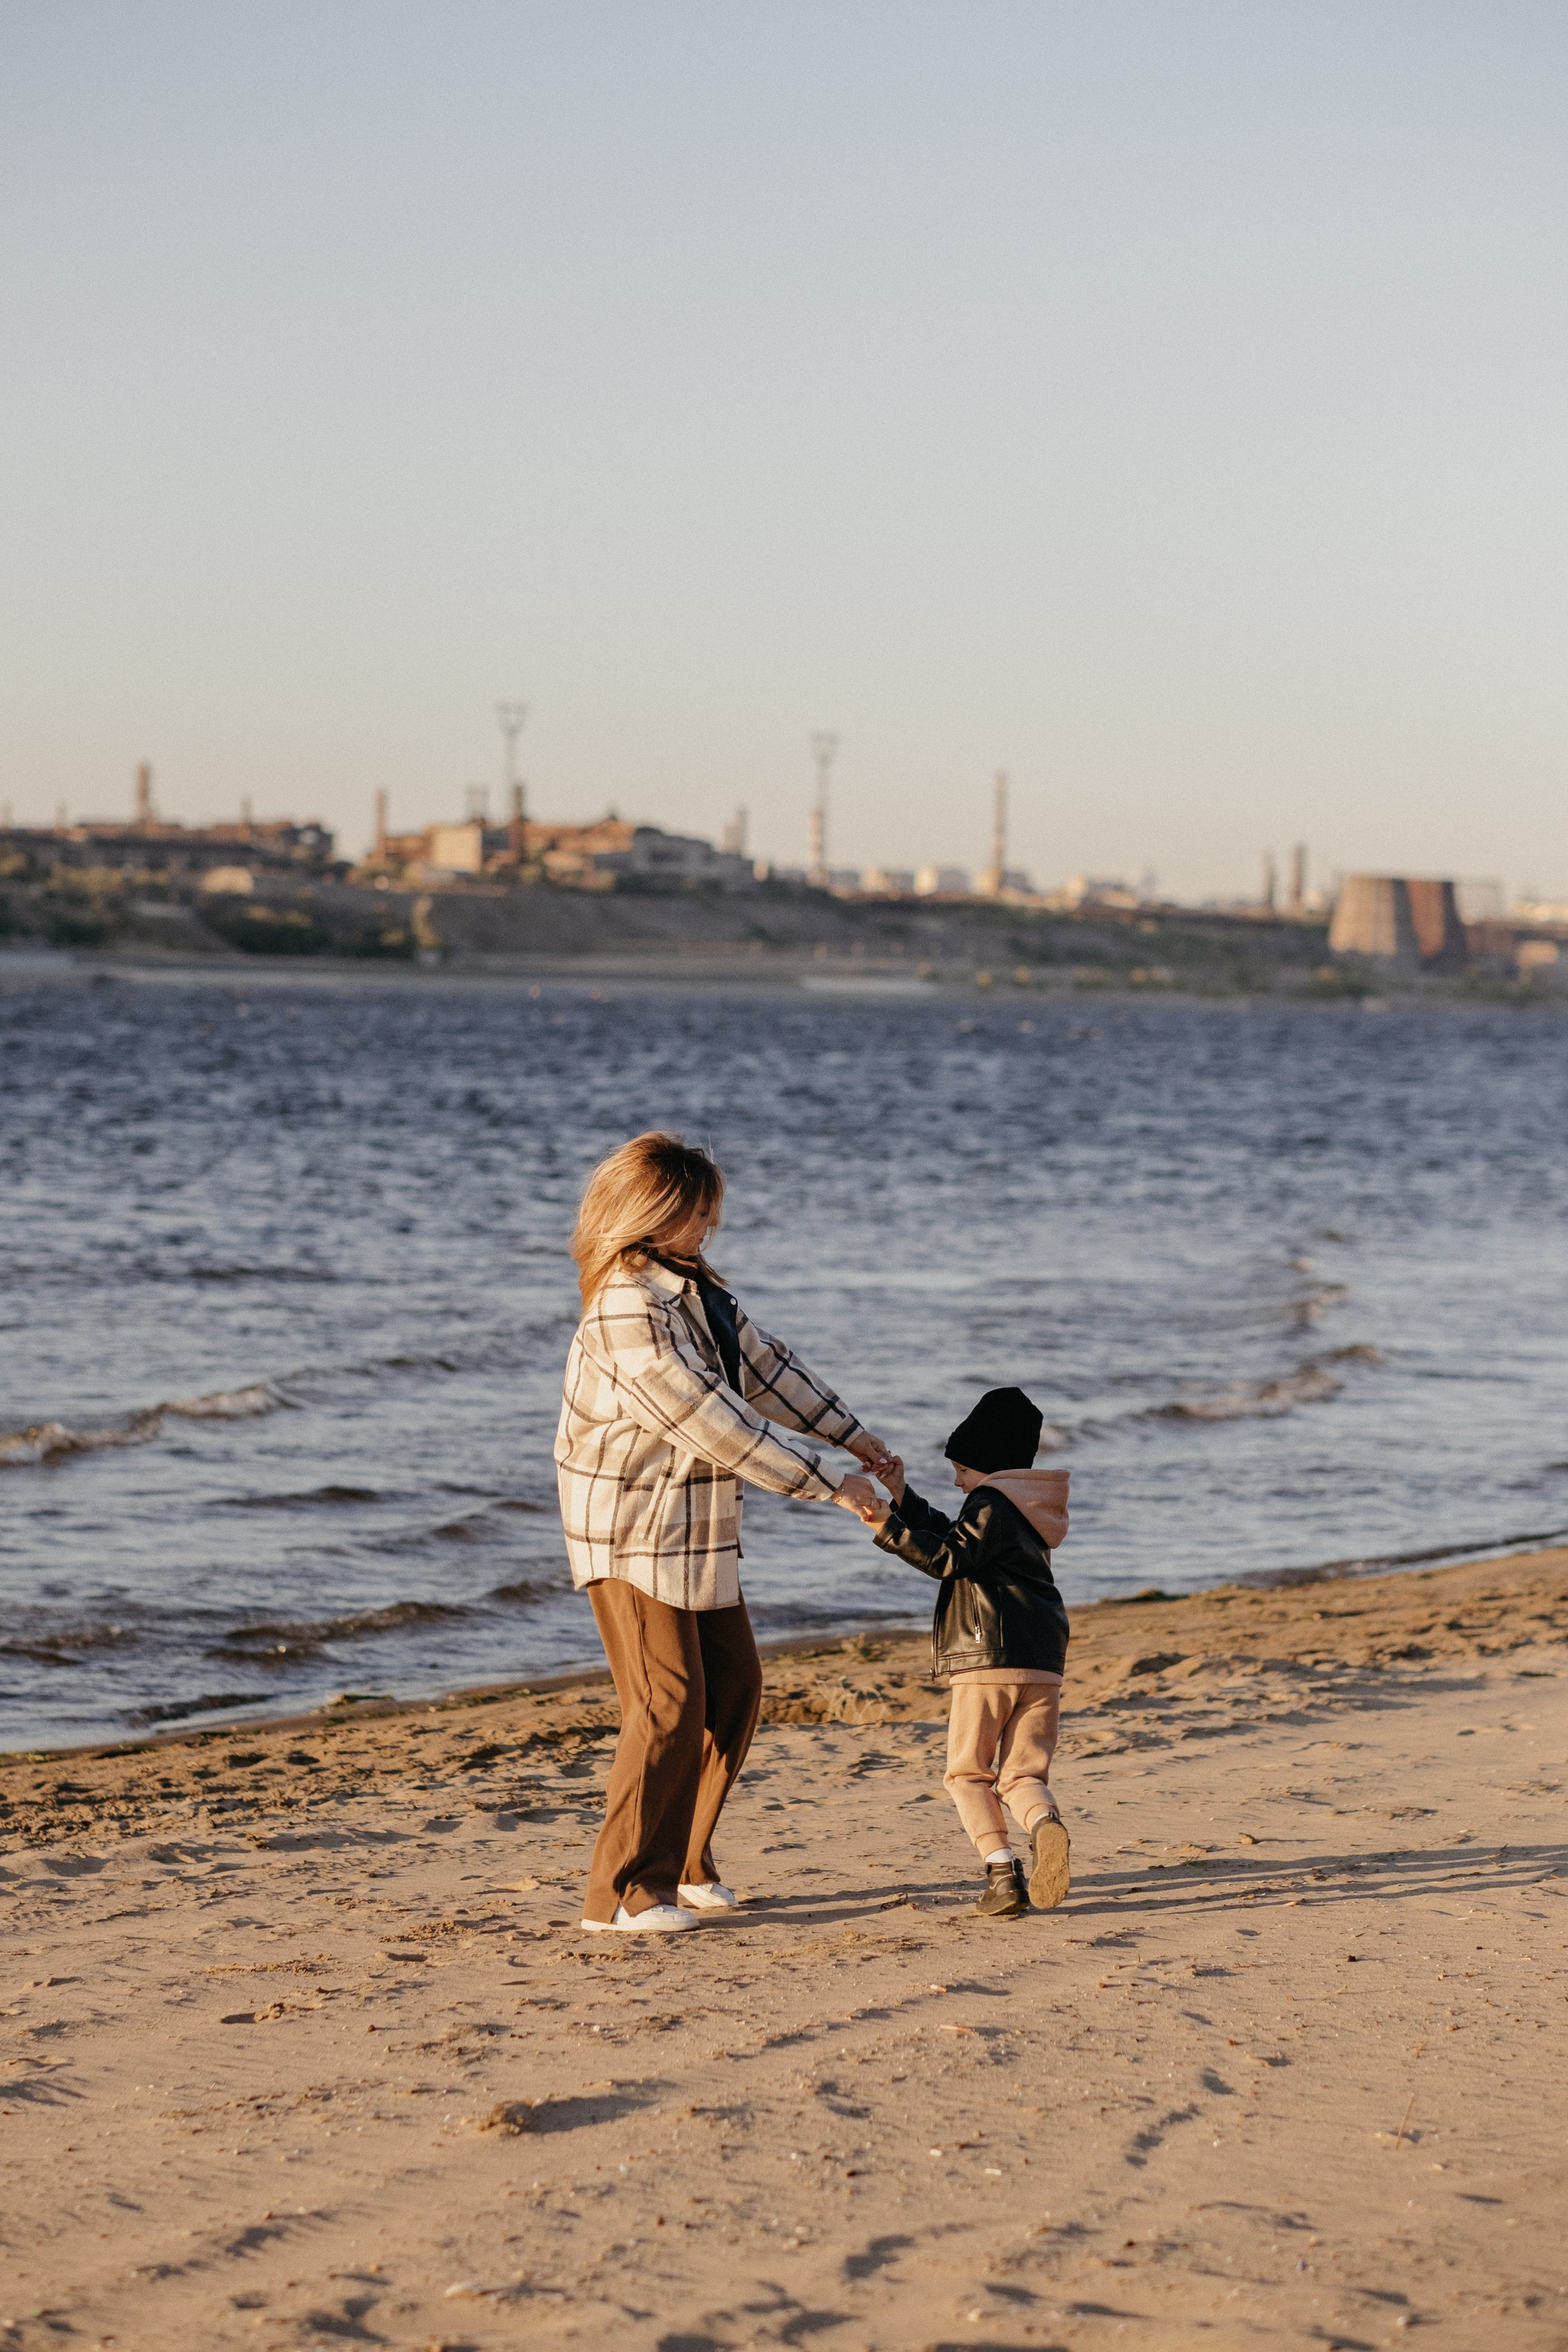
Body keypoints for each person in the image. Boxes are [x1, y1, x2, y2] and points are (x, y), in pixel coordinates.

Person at [555, 1130, 893, 1934]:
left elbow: (767, 1370)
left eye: (711, 1209)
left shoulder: (695, 1291)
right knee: (667, 1703)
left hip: (696, 1526)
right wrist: (829, 1485)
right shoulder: (624, 1311)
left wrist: (855, 1437)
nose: (711, 1223)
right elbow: (710, 1421)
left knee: (733, 1690)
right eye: (699, 1210)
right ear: (654, 1212)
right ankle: (622, 1894)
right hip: (631, 1529)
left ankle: (685, 1862)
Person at [847, 1386, 1072, 1920]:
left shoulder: (992, 1502)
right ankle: (1043, 1826)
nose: (957, 1481)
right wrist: (901, 1496)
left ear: (988, 1468)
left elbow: (948, 1557)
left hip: (988, 1660)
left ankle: (1001, 1874)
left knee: (967, 1774)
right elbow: (959, 1537)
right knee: (1024, 1776)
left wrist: (885, 1526)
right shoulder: (1026, 1508)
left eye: (962, 1471)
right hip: (1042, 1660)